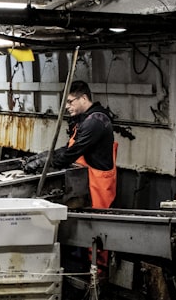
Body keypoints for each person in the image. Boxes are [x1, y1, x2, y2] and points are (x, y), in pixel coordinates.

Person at [22, 80, 117, 208]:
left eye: (70, 101)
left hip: (97, 184)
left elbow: (71, 154)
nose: (66, 106)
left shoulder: (95, 122)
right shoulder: (85, 119)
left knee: (95, 219)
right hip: (88, 179)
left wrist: (44, 162)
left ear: (84, 98)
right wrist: (43, 156)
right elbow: (69, 148)